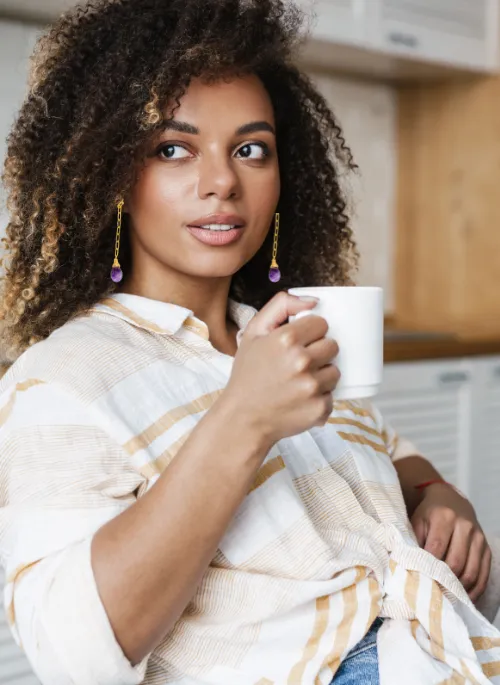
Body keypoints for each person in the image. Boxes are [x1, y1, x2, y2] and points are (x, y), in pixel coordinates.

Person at [0, 1, 499, 684]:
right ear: (113, 173)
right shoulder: (62, 378)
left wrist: (443, 499)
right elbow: (78, 656)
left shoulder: (290, 335)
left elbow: (392, 457)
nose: (222, 182)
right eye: (173, 148)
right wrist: (243, 418)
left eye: (250, 148)